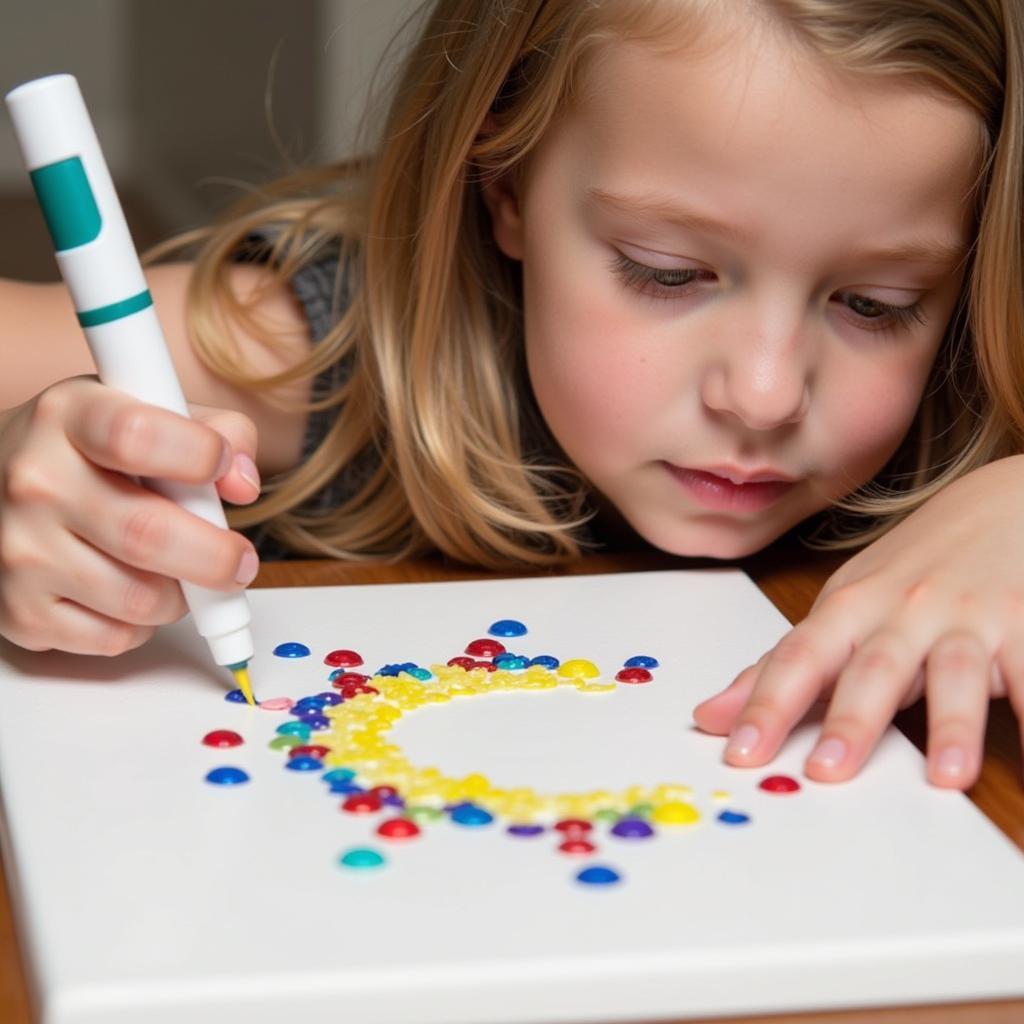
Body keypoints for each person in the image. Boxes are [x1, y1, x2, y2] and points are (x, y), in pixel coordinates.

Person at [1, 0, 1021, 792]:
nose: (762, 394)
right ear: (506, 186)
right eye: (667, 271)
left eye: (874, 303)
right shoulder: (305, 346)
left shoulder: (983, 373)